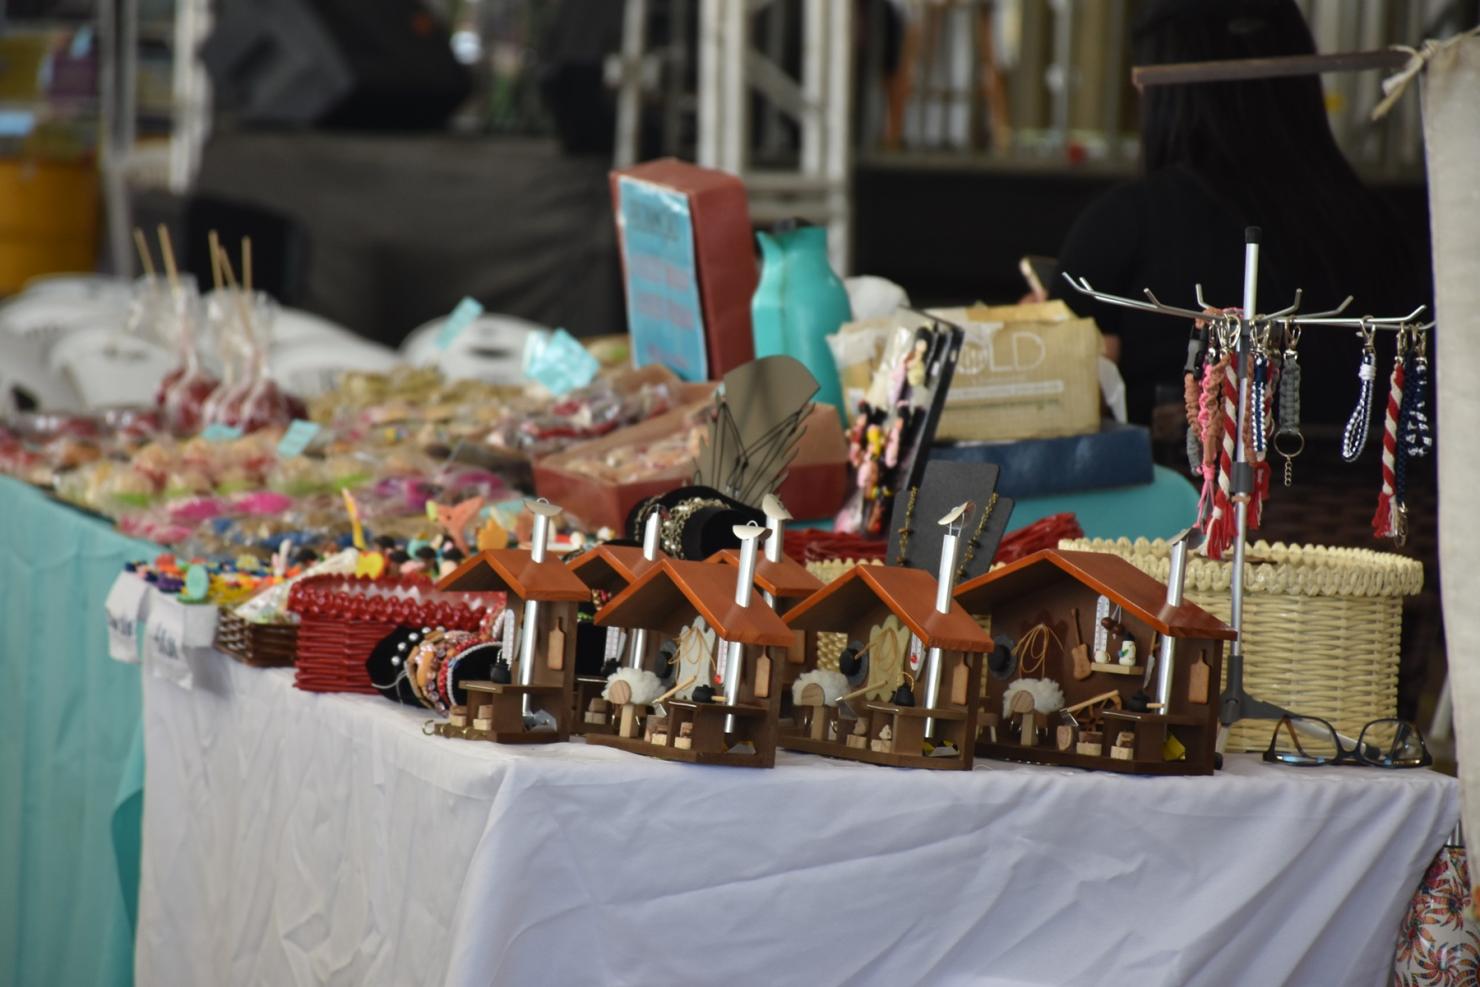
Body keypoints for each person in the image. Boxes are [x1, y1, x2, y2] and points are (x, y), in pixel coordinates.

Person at [1050, 0, 1425, 427]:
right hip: (1379, 473)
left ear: (1161, 85)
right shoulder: (1386, 228)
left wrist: (1043, 335)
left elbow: (1055, 412)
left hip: (1189, 472)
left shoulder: (1124, 226)